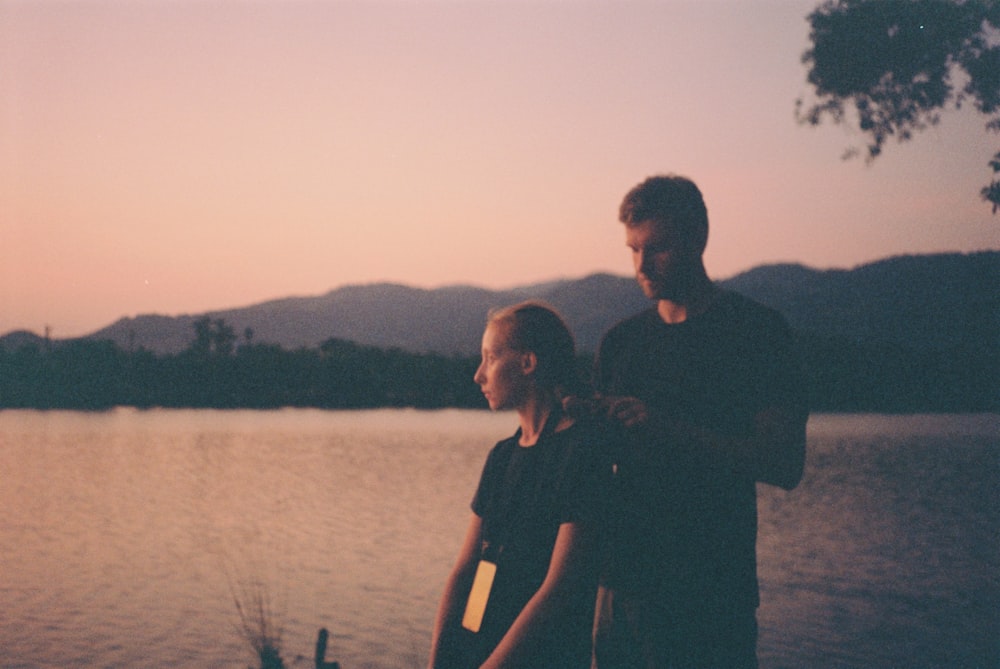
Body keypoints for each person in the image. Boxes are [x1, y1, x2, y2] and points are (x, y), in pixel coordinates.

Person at [591, 175, 809, 669]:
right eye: (633, 249)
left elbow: (784, 463)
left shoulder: (757, 333)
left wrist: (666, 430)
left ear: (699, 239)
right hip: (620, 588)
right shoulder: (619, 343)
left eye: (658, 248)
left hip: (711, 597)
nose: (641, 265)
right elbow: (602, 469)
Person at [428, 302, 613, 669]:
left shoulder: (582, 452)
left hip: (542, 657)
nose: (479, 375)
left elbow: (560, 588)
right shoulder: (502, 456)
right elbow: (467, 568)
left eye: (491, 358)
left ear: (528, 363)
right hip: (477, 646)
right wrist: (439, 661)